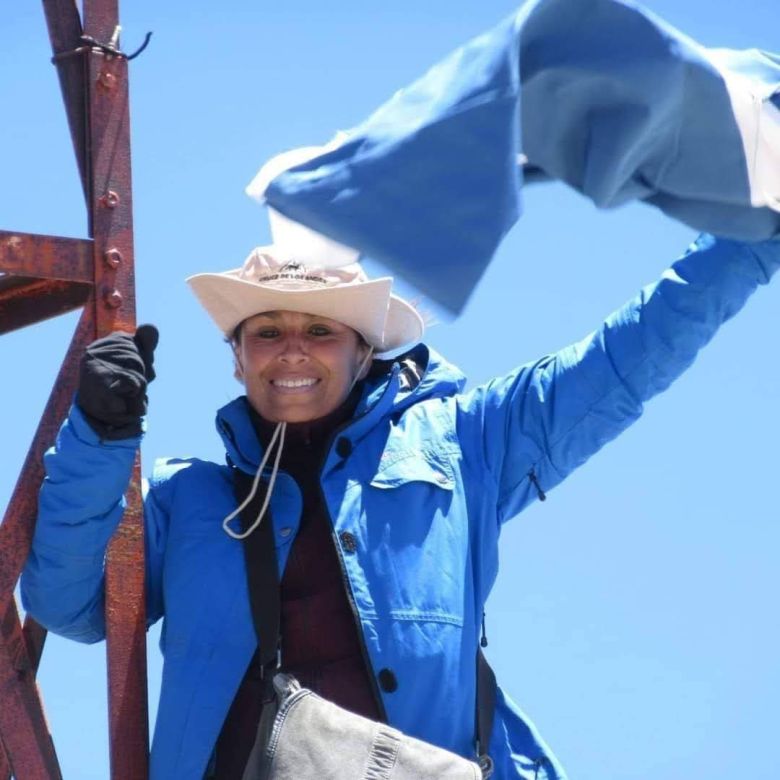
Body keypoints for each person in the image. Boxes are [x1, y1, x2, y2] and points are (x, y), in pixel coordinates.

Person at [20, 208, 780, 777]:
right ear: (236, 358)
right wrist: (97, 435)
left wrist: (756, 230)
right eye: (267, 331)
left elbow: (628, 356)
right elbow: (69, 607)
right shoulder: (190, 497)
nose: (291, 351)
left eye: (319, 331)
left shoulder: (467, 443)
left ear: (364, 349)